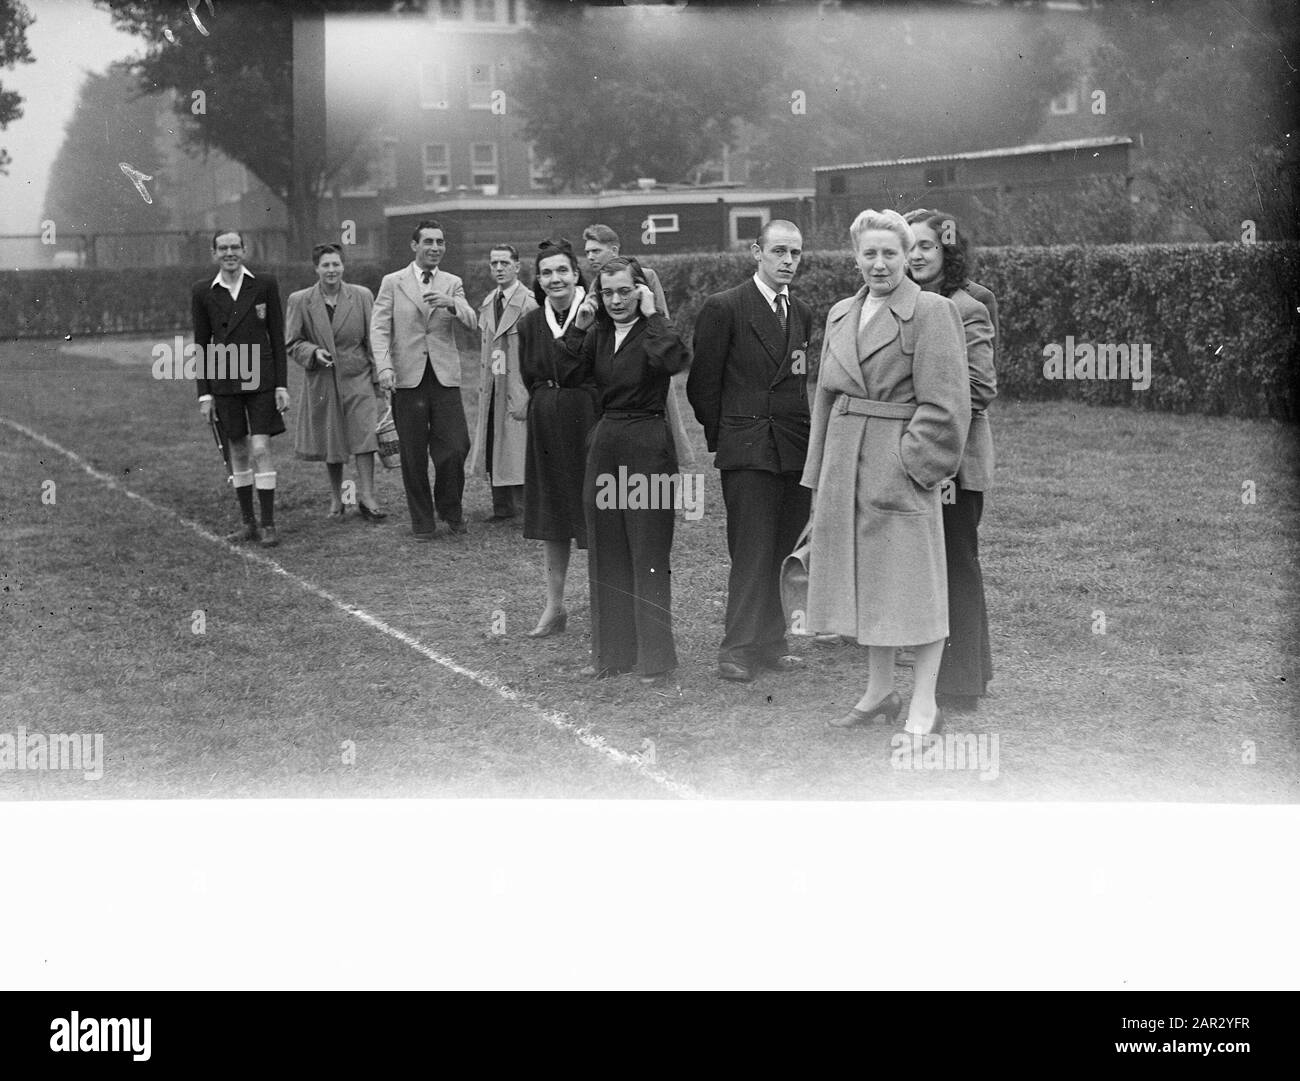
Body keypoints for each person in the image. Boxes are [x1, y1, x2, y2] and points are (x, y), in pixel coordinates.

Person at [801, 209, 970, 735]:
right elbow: (826, 399)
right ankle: (879, 691)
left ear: (908, 257)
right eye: (869, 254)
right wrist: (819, 473)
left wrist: (909, 465)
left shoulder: (932, 311)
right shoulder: (838, 314)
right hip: (843, 466)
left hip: (896, 466)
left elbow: (947, 406)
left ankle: (925, 704)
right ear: (856, 257)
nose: (880, 264)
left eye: (890, 254)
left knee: (912, 589)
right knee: (866, 585)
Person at [687, 219, 814, 683]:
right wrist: (732, 437)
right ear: (757, 252)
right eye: (779, 251)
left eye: (795, 254)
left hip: (793, 449)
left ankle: (771, 642)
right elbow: (703, 386)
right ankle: (736, 648)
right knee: (751, 550)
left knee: (784, 548)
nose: (787, 261)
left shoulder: (801, 310)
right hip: (748, 450)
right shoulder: (725, 308)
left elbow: (797, 383)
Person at [561, 256, 690, 684]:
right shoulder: (596, 333)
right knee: (607, 547)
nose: (615, 300)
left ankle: (656, 659)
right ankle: (613, 654)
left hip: (647, 444)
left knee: (648, 550)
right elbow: (566, 371)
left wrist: (653, 315)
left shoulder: (653, 329)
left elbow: (673, 360)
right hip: (607, 442)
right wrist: (579, 325)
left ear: (641, 291)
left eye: (625, 291)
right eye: (607, 292)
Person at [904, 208, 997, 710]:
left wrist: (921, 413)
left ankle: (961, 684)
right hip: (919, 458)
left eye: (928, 246)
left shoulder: (967, 306)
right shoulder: (907, 303)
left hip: (956, 463)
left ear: (949, 252)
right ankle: (960, 673)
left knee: (957, 564)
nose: (917, 255)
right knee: (930, 567)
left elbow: (981, 389)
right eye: (910, 245)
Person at [369, 219, 477, 540]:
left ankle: (450, 508)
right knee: (413, 454)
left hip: (444, 378)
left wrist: (452, 304)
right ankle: (423, 521)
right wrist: (384, 367)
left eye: (440, 242)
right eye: (428, 242)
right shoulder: (393, 282)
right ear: (414, 245)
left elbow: (472, 321)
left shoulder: (452, 282)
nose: (435, 248)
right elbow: (378, 328)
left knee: (456, 447)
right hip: (407, 379)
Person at [517, 238, 597, 638]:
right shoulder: (530, 323)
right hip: (547, 422)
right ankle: (555, 605)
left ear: (576, 273)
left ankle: (605, 604)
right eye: (546, 272)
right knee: (553, 516)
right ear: (538, 279)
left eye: (562, 270)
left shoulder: (596, 315)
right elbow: (528, 376)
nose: (554, 279)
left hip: (589, 420)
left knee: (596, 511)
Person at [193, 229, 290, 547]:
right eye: (223, 248)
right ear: (214, 254)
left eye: (235, 247)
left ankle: (268, 524)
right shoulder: (203, 291)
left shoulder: (264, 284)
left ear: (245, 251)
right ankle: (248, 523)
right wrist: (205, 394)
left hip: (260, 380)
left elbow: (277, 336)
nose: (229, 253)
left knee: (261, 448)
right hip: (225, 383)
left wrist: (281, 385)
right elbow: (202, 345)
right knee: (237, 449)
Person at [285, 242, 388, 522]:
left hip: (358, 377)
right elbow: (292, 343)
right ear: (316, 268)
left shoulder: (362, 296)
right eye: (326, 265)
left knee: (365, 437)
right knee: (333, 440)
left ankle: (366, 496)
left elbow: (374, 340)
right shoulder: (300, 301)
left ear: (344, 266)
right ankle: (338, 498)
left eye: (336, 264)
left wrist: (380, 379)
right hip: (323, 380)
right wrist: (313, 352)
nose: (332, 270)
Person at [582, 223, 695, 467]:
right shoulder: (594, 285)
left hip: (647, 364)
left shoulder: (646, 276)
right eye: (587, 252)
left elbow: (660, 317)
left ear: (614, 250)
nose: (590, 256)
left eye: (596, 251)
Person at [468, 244, 537, 523]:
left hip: (517, 383)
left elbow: (535, 351)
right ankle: (502, 507)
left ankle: (523, 509)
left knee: (517, 444)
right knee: (495, 440)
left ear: (517, 266)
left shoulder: (528, 303)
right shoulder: (488, 301)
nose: (498, 268)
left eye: (504, 263)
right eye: (494, 263)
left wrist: (528, 389)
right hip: (493, 384)